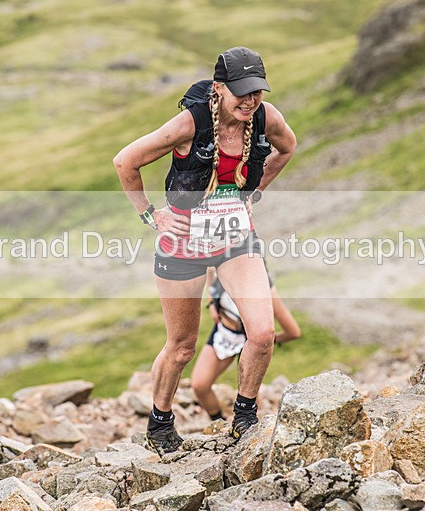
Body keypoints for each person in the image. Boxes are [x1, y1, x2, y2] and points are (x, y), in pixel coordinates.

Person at [113, 46, 296, 455]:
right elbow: (125, 162)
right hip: (183, 244)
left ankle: (244, 418)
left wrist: (254, 193)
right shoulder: (189, 123)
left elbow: (287, 148)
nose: (250, 101)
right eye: (242, 92)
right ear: (219, 88)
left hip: (236, 240)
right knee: (181, 348)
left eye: (257, 91)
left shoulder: (266, 118)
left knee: (262, 334)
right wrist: (151, 216)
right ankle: (160, 423)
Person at [191, 266, 300, 420]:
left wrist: (265, 340)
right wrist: (213, 304)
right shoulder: (221, 269)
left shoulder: (265, 286)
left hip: (251, 340)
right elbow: (210, 273)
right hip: (224, 334)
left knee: (250, 397)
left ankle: (249, 425)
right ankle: (219, 424)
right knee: (200, 385)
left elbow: (293, 332)